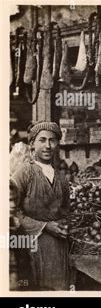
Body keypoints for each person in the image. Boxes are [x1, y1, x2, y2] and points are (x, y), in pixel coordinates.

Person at [10, 121, 71, 290]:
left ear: (58, 144)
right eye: (42, 140)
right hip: (33, 245)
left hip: (58, 247)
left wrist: (65, 224)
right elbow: (11, 211)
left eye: (52, 141)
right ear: (32, 144)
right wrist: (44, 226)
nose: (48, 145)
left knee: (59, 288)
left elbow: (66, 209)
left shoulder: (61, 177)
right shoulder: (24, 172)